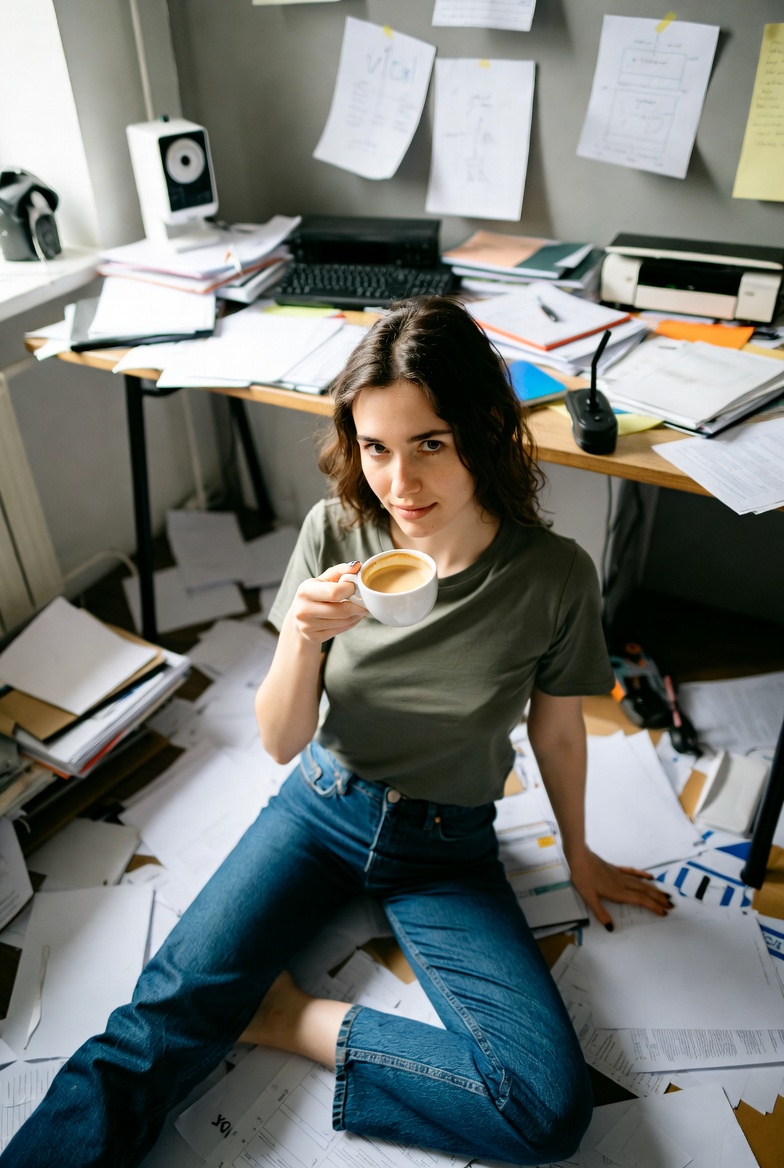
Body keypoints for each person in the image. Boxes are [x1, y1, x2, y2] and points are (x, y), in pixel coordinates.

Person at [2, 297, 671, 1168]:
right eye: (376, 448)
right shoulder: (335, 532)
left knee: (547, 1109)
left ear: (485, 429)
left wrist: (578, 853)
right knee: (150, 1030)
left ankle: (281, 1015)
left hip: (448, 846)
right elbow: (280, 742)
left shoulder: (553, 576)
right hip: (320, 809)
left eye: (430, 442)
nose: (401, 484)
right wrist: (303, 637)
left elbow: (559, 734)